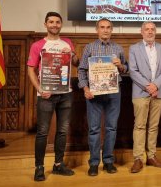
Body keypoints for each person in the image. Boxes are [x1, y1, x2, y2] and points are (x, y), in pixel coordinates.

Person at [27, 12, 79, 181]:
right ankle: (39, 167)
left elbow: (76, 62)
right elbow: (30, 69)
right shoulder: (37, 45)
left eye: (57, 22)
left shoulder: (68, 42)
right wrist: (40, 89)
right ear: (45, 24)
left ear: (61, 25)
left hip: (66, 94)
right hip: (46, 95)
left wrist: (71, 55)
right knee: (42, 132)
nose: (54, 25)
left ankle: (58, 165)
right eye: (51, 22)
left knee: (62, 131)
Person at [78, 18, 128, 176]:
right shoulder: (89, 48)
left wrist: (120, 65)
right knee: (94, 129)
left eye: (108, 27)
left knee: (111, 128)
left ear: (111, 30)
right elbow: (81, 70)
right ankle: (93, 163)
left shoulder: (118, 48)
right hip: (94, 93)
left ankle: (108, 161)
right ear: (97, 30)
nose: (105, 30)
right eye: (102, 27)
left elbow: (125, 69)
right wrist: (85, 88)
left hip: (114, 93)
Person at [128, 22, 161, 173]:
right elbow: (132, 71)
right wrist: (148, 86)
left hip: (159, 93)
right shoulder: (134, 48)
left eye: (152, 29)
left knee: (153, 126)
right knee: (139, 126)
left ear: (155, 32)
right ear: (141, 32)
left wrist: (156, 85)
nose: (150, 31)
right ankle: (138, 158)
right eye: (147, 29)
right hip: (140, 93)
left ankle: (151, 156)